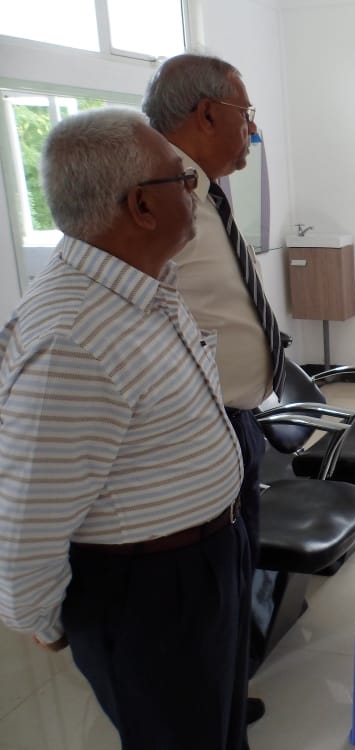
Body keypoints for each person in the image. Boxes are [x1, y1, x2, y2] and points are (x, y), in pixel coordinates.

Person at [0, 108, 250, 749]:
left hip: (205, 558)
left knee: (220, 731)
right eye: (181, 180)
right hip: (148, 596)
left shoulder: (144, 286)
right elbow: (25, 524)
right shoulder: (70, 338)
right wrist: (52, 621)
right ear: (140, 206)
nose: (194, 191)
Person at [143, 53, 283, 716]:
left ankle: (228, 695)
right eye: (245, 114)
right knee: (210, 589)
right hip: (197, 428)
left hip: (237, 419)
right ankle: (211, 711)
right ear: (206, 114)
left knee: (236, 573)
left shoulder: (207, 190)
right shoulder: (153, 196)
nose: (252, 129)